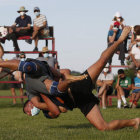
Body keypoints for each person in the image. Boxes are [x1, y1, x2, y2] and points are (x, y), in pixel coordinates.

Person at [1, 27, 140, 131]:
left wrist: (63, 78)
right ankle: (134, 121)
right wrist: (42, 97)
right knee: (103, 127)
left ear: (27, 103)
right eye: (29, 113)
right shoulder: (42, 107)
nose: (30, 111)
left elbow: (65, 71)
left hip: (76, 85)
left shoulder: (34, 86)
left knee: (103, 61)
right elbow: (56, 111)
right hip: (81, 101)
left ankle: (120, 40)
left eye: (28, 108)